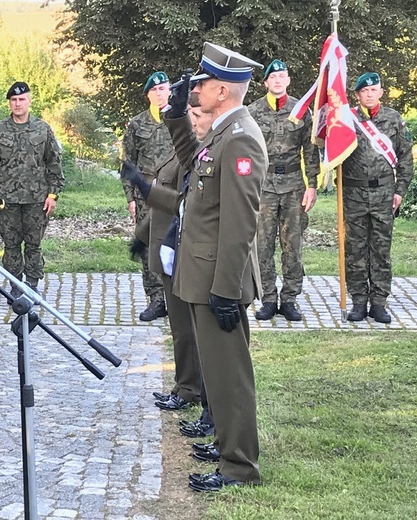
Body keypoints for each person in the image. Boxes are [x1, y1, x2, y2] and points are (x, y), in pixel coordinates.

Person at [124, 42, 267, 491]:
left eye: (202, 84)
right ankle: (228, 447)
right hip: (204, 275)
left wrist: (225, 288)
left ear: (222, 90)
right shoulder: (223, 134)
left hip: (217, 280)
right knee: (218, 374)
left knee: (229, 377)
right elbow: (193, 171)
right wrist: (175, 117)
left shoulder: (241, 138)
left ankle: (239, 466)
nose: (195, 90)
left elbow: (240, 224)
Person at [137, 92, 212, 412]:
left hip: (186, 249)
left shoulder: (202, 154)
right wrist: (141, 236)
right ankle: (185, 386)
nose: (192, 122)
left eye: (197, 116)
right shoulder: (179, 152)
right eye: (189, 116)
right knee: (180, 329)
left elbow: (181, 202)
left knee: (189, 330)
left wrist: (146, 190)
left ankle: (191, 389)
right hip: (169, 246)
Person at [0, 81, 64, 298]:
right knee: (11, 245)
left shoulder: (43, 129)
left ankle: (32, 286)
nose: (18, 104)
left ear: (29, 101)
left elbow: (54, 165)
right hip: (7, 200)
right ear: (9, 103)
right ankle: (16, 286)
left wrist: (53, 195)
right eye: (14, 100)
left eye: (22, 99)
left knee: (34, 245)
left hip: (37, 199)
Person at [248, 59, 320, 321]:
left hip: (292, 187)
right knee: (262, 245)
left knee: (293, 246)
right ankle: (267, 298)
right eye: (273, 77)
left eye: (282, 76)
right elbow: (244, 150)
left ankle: (289, 299)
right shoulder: (253, 111)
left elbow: (311, 151)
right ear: (265, 82)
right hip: (262, 186)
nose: (277, 80)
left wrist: (312, 185)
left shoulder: (301, 110)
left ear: (288, 80)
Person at [343, 72, 414, 323]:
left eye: (374, 90)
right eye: (365, 91)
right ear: (358, 95)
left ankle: (379, 302)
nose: (369, 94)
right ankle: (359, 301)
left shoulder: (393, 118)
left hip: (384, 193)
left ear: (381, 93)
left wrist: (400, 191)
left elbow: (405, 157)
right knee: (355, 249)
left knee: (381, 249)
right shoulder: (347, 119)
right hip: (353, 193)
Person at [122, 72, 174, 322]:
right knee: (148, 243)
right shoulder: (137, 124)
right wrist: (130, 198)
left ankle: (175, 296)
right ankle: (156, 298)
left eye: (163, 89)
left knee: (176, 240)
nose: (159, 94)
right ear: (148, 95)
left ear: (170, 92)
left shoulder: (181, 119)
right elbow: (128, 163)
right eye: (154, 91)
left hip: (173, 191)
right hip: (145, 194)